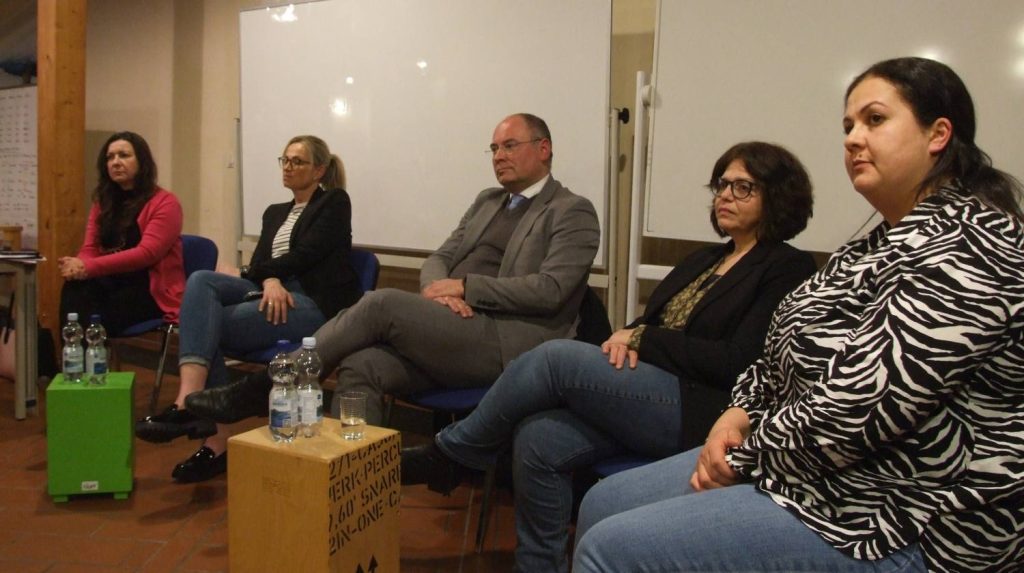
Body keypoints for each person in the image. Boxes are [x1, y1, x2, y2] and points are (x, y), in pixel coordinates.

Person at [572, 57, 1024, 573]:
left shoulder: (972, 243)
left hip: (905, 512)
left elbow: (864, 408)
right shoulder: (868, 247)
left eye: (874, 120)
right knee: (600, 503)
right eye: (848, 126)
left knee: (613, 548)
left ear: (938, 134)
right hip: (810, 467)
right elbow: (775, 356)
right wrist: (737, 413)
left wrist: (744, 456)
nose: (853, 138)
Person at [401, 141, 817, 572]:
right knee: (538, 437)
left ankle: (453, 454)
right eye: (722, 185)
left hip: (703, 409)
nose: (725, 195)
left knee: (555, 358)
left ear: (777, 196)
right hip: (645, 390)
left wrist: (642, 338)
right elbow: (650, 320)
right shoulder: (706, 259)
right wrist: (630, 335)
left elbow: (740, 361)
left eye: (743, 187)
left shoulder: (788, 268)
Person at [181, 113, 601, 429]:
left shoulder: (571, 210)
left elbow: (550, 290)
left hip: (508, 341)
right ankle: (358, 487)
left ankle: (269, 384)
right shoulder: (488, 200)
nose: (499, 157)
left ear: (543, 149)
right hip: (454, 328)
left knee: (379, 303)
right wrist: (441, 290)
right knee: (361, 364)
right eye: (493, 149)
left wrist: (467, 288)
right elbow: (441, 255)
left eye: (510, 146)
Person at [136, 135, 361, 483]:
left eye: (297, 161)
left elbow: (306, 257)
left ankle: (213, 438)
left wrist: (264, 276)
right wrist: (268, 279)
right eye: (284, 160)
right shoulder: (274, 213)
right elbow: (263, 263)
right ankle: (189, 399)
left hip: (312, 303)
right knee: (201, 279)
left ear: (319, 169)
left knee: (205, 325)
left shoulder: (333, 202)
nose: (287, 167)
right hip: (270, 292)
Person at [59, 132, 184, 336]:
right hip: (109, 278)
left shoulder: (166, 203)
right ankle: (74, 362)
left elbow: (147, 254)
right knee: (74, 289)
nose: (116, 162)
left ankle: (91, 361)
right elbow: (90, 248)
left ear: (142, 161)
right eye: (110, 157)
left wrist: (88, 267)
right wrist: (78, 268)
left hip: (148, 288)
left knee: (94, 314)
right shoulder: (103, 201)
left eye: (124, 155)